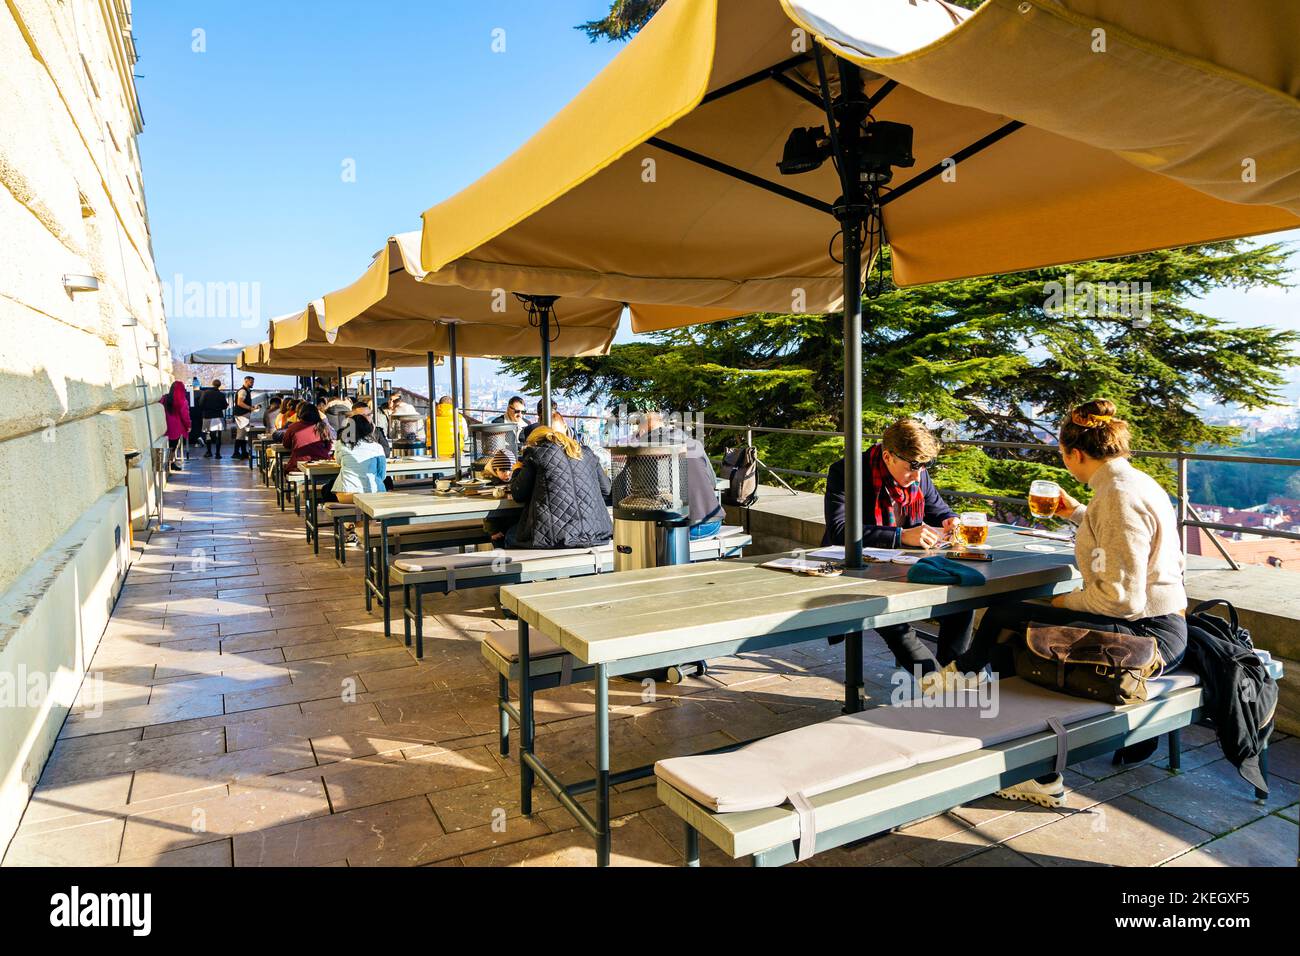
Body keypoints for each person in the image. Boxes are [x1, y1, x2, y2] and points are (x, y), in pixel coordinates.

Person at [930, 400, 1189, 808]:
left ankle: (1034, 767)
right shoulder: (1127, 483)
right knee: (1013, 620)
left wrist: (1060, 600)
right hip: (1154, 623)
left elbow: (1120, 599)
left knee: (1012, 626)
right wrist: (1076, 513)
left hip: (1146, 637)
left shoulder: (1118, 497)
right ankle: (968, 686)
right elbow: (1119, 534)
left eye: (1063, 456)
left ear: (1075, 454)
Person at [823, 418, 973, 677]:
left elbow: (938, 508)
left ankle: (952, 675)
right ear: (888, 456)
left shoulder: (919, 476)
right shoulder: (847, 472)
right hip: (858, 570)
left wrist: (952, 519)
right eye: (913, 466)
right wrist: (900, 536)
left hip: (907, 567)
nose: (918, 475)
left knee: (962, 603)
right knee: (894, 622)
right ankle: (941, 689)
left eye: (924, 466)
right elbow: (839, 530)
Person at [493, 425, 613, 549]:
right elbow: (606, 489)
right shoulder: (587, 453)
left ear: (535, 442)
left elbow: (518, 494)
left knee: (508, 534)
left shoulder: (535, 453)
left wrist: (517, 470)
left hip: (554, 538)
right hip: (597, 533)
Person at [638, 410, 724, 540]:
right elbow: (712, 482)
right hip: (713, 521)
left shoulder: (648, 449)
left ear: (643, 430)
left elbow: (642, 490)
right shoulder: (695, 443)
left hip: (687, 525)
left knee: (645, 540)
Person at [329, 416, 387, 547]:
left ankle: (354, 532)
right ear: (368, 429)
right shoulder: (377, 447)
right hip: (371, 493)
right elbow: (382, 474)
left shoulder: (341, 444)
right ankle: (362, 534)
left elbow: (338, 461)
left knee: (359, 507)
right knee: (369, 507)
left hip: (346, 493)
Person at [281, 404, 333, 473]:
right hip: (321, 464)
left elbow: (286, 444)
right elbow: (328, 447)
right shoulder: (323, 427)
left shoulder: (293, 427)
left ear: (301, 414)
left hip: (298, 465)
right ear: (317, 414)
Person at [161, 381, 191, 473]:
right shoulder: (182, 400)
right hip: (176, 427)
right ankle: (170, 464)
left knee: (168, 446)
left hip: (164, 426)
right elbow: (185, 415)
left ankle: (169, 464)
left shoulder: (164, 398)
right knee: (173, 447)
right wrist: (188, 425)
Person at [196, 379, 229, 459]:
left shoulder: (205, 393)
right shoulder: (221, 395)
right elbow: (224, 406)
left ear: (212, 384)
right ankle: (218, 454)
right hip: (218, 416)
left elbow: (200, 404)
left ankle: (209, 452)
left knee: (208, 435)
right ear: (219, 385)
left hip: (207, 416)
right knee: (218, 436)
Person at [231, 376, 256, 460]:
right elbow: (240, 403)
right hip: (241, 415)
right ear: (246, 381)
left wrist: (251, 407)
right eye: (251, 382)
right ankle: (236, 453)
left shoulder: (246, 391)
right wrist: (250, 408)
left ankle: (244, 452)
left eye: (252, 382)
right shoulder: (242, 391)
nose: (252, 384)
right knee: (241, 434)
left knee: (243, 434)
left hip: (243, 414)